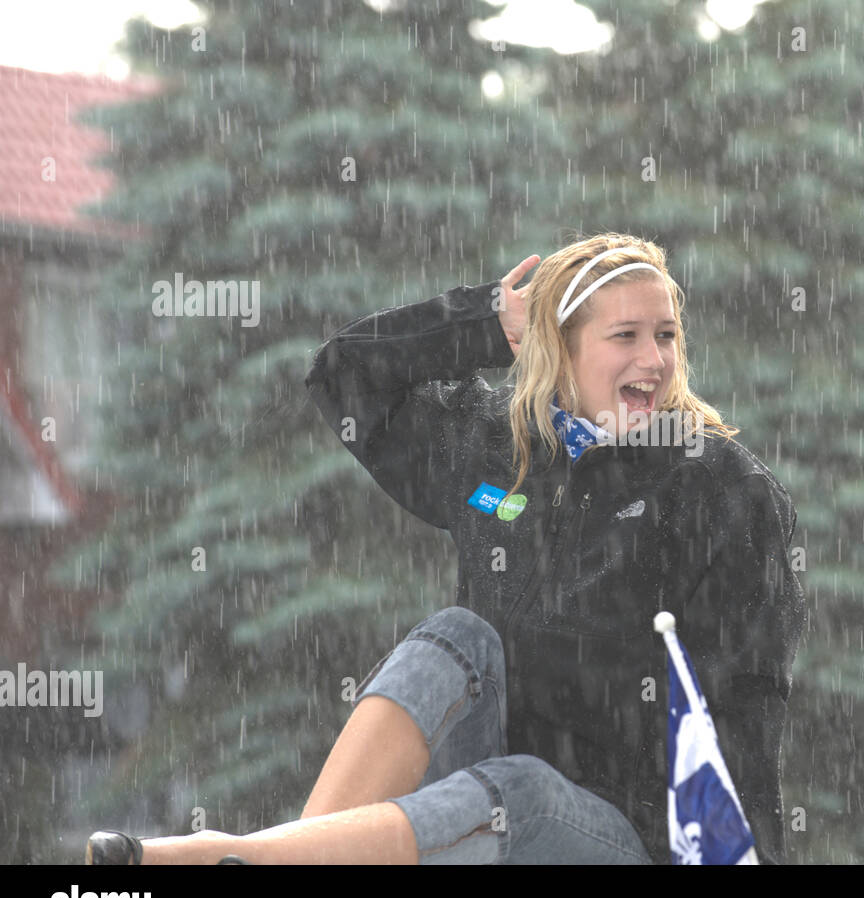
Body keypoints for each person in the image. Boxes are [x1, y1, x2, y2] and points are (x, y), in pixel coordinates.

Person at [86, 233, 807, 864]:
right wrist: (485, 322)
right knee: (457, 636)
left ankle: (239, 858)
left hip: (638, 836)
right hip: (480, 806)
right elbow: (343, 377)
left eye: (667, 335)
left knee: (521, 789)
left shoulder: (717, 484)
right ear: (560, 344)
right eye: (626, 336)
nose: (653, 358)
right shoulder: (497, 449)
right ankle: (290, 858)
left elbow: (745, 698)